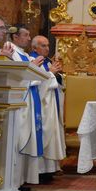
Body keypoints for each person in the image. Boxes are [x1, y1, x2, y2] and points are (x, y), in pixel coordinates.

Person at [8, 25, 45, 185]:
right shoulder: (11, 51)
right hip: (21, 100)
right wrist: (34, 67)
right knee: (19, 139)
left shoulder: (22, 54)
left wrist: (35, 67)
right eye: (26, 35)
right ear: (15, 37)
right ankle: (15, 182)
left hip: (29, 99)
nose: (29, 38)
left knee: (27, 138)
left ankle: (22, 180)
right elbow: (15, 76)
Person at [31, 35, 66, 180]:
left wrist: (56, 75)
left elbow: (55, 81)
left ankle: (51, 169)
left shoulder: (46, 61)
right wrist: (51, 73)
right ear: (34, 48)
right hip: (42, 104)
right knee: (44, 134)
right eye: (43, 46)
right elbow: (35, 81)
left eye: (47, 45)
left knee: (52, 134)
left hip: (51, 103)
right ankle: (40, 170)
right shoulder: (32, 60)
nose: (47, 48)